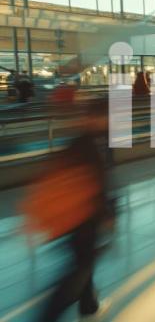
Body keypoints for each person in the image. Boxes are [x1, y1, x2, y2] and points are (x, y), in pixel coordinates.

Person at [34, 101, 111, 321]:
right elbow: (94, 182)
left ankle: (89, 306)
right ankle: (49, 315)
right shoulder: (85, 144)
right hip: (82, 218)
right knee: (78, 272)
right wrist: (104, 212)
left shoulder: (91, 141)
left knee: (83, 266)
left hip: (81, 218)